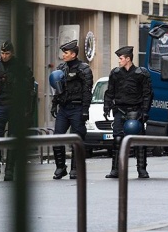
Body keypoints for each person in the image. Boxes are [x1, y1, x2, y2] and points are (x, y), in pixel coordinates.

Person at [0, 41, 35, 181]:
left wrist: (27, 111)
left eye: (7, 53)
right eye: (2, 53)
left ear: (12, 53)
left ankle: (9, 171)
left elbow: (29, 91)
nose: (4, 56)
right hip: (1, 106)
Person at [103, 46, 153, 179]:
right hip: (120, 110)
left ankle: (142, 170)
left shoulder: (141, 73)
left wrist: (145, 111)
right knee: (117, 139)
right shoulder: (115, 73)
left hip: (135, 111)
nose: (119, 61)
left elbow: (147, 93)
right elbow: (110, 92)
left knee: (139, 140)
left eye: (121, 58)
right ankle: (115, 170)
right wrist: (106, 106)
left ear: (128, 59)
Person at [50, 40, 93, 180]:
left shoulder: (83, 68)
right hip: (64, 108)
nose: (63, 55)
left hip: (77, 107)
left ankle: (76, 168)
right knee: (57, 137)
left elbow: (87, 90)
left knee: (77, 139)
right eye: (63, 53)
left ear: (73, 54)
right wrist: (54, 104)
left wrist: (85, 110)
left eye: (66, 53)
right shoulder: (61, 68)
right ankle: (60, 167)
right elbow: (58, 88)